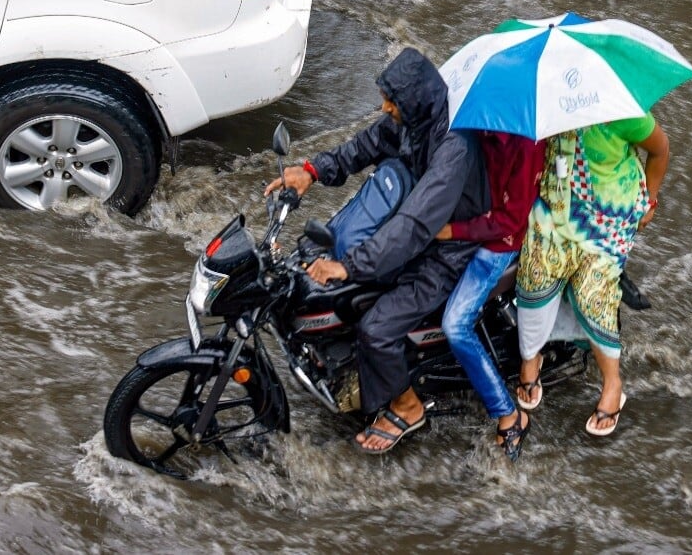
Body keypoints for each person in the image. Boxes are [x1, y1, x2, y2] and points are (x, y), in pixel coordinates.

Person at [264, 48, 489, 454]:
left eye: (393, 101)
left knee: (376, 327)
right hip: (415, 226)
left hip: (447, 250)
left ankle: (407, 406)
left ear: (415, 101)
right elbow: (364, 145)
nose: (385, 107)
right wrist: (312, 171)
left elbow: (415, 225)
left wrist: (349, 267)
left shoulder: (452, 149)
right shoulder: (412, 121)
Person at [514, 114, 669, 436]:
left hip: (608, 218)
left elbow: (660, 150)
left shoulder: (625, 112)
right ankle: (532, 356)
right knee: (534, 273)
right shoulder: (548, 106)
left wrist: (651, 200)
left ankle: (613, 384)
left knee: (592, 295)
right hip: (556, 204)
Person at [434, 131, 546, 461]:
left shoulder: (527, 145)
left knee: (455, 324)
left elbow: (510, 219)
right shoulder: (473, 128)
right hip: (469, 221)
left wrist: (454, 230)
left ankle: (509, 415)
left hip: (499, 241)